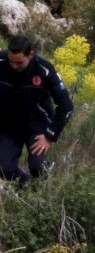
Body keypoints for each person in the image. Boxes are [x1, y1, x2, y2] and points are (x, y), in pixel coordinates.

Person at [0, 35, 73, 184]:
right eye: (11, 61)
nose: (14, 66)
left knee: (37, 166)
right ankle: (28, 186)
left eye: (19, 63)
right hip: (9, 124)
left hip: (37, 124)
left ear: (31, 54)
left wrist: (50, 136)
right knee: (4, 169)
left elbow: (66, 106)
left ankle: (44, 188)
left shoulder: (44, 69)